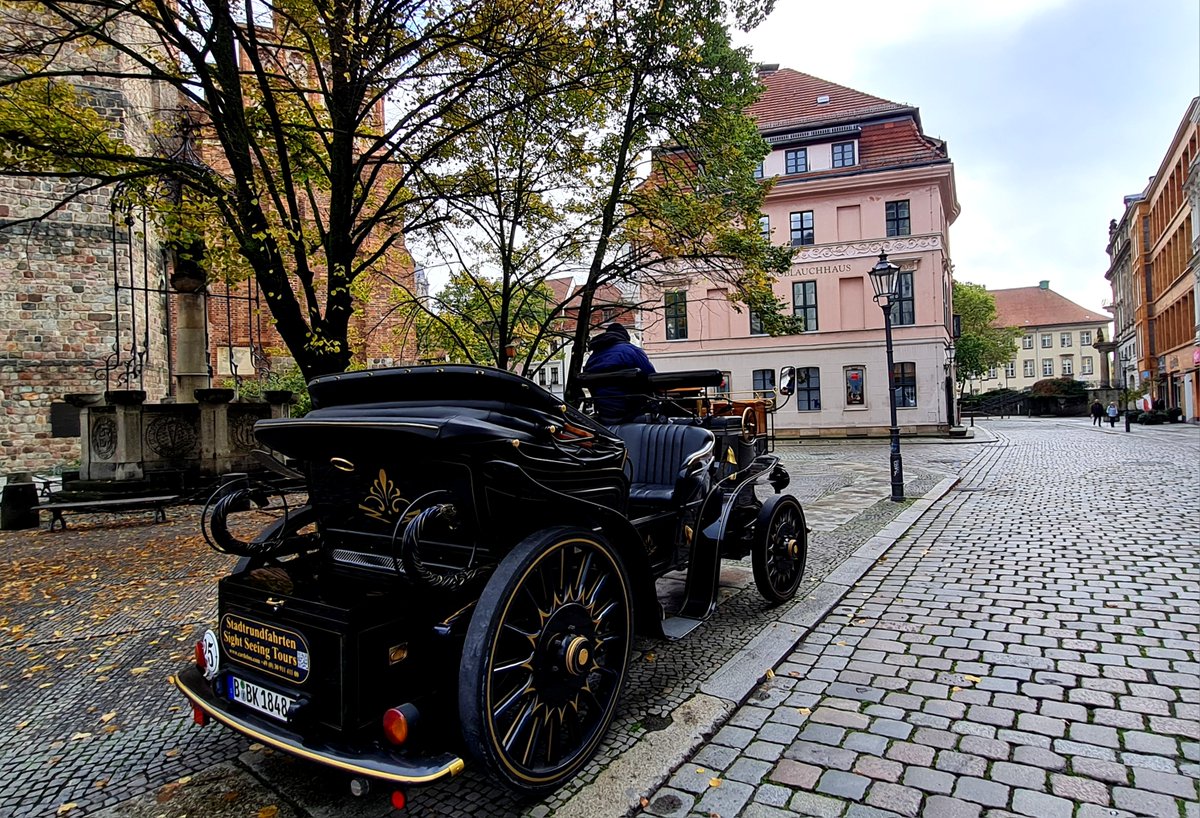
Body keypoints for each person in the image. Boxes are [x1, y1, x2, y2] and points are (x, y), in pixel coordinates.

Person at [582, 322, 655, 423]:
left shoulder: (593, 357)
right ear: (625, 338)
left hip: (603, 412)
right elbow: (651, 377)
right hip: (631, 411)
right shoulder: (632, 351)